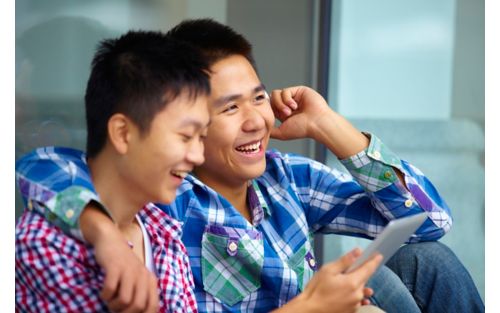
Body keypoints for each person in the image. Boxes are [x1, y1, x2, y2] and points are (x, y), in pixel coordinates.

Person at [15, 19, 484, 312]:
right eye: (229, 108)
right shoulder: (168, 201)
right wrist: (101, 230)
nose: (255, 120)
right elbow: (46, 165)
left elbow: (431, 219)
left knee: (424, 258)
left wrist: (327, 124)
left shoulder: (286, 178)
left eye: (258, 98)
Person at [15, 30, 212, 312]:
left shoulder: (163, 232)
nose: (198, 156)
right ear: (122, 133)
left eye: (201, 138)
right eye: (185, 136)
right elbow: (36, 162)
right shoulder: (45, 244)